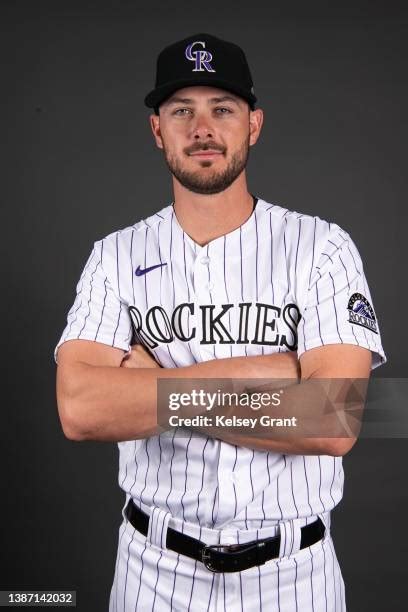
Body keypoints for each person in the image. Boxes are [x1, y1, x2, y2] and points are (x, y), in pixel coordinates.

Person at [54, 33, 387, 611]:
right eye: (182, 110)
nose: (201, 127)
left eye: (222, 109)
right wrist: (282, 377)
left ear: (253, 125)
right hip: (152, 572)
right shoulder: (113, 254)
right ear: (157, 130)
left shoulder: (322, 247)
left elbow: (334, 418)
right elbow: (80, 409)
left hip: (294, 577)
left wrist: (154, 384)